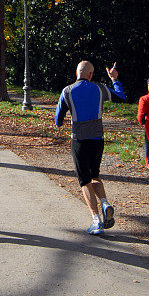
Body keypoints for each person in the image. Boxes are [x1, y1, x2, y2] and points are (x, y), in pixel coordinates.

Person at [55, 60, 125, 235]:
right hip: (97, 139)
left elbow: (58, 120)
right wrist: (114, 79)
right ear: (91, 75)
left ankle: (96, 219)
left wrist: (64, 119)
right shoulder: (100, 88)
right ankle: (104, 203)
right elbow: (121, 97)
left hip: (79, 139)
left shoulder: (67, 91)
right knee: (95, 175)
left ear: (76, 73)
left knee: (84, 180)